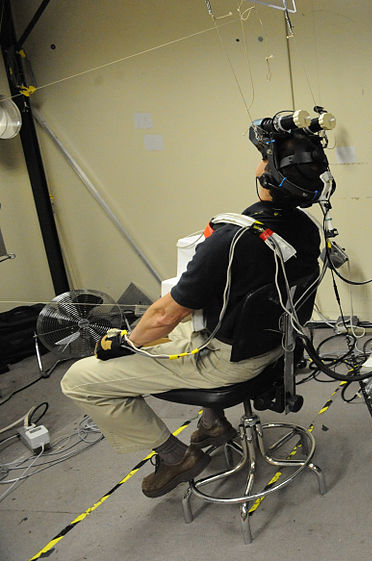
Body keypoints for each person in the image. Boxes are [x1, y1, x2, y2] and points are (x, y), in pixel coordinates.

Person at [61, 127, 328, 497]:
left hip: (228, 361)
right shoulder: (305, 228)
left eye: (263, 158)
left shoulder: (231, 239)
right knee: (182, 329)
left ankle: (175, 458)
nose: (258, 163)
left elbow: (162, 317)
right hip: (276, 345)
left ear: (267, 175)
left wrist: (123, 341)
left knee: (80, 379)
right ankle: (213, 422)